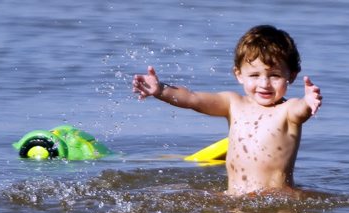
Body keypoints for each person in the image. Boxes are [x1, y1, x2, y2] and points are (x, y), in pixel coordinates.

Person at [133, 25, 322, 196]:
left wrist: (308, 101)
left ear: (292, 75)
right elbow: (192, 99)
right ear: (238, 74)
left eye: (275, 76)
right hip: (234, 199)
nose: (264, 84)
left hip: (275, 201)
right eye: (255, 75)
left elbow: (301, 110)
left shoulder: (287, 110)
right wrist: (160, 90)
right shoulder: (233, 103)